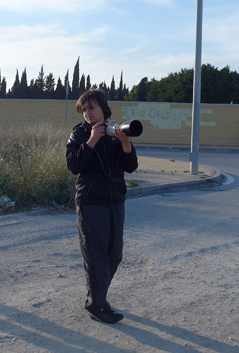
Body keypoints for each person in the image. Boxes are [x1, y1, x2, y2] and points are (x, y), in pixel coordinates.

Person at [66, 89, 138, 324]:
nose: (87, 113)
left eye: (92, 108)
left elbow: (131, 166)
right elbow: (74, 165)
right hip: (90, 202)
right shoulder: (78, 134)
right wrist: (92, 140)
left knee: (114, 256)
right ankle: (96, 305)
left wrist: (125, 142)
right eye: (84, 109)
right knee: (96, 256)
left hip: (115, 201)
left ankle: (99, 298)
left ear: (103, 109)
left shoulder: (114, 133)